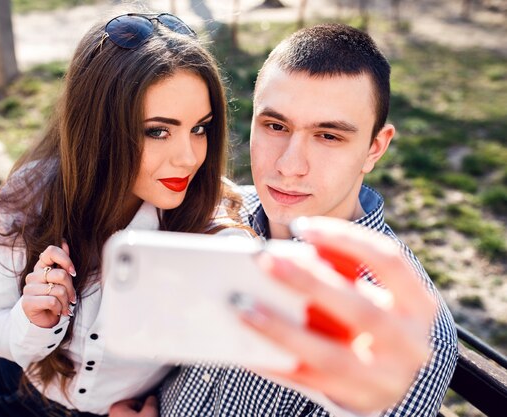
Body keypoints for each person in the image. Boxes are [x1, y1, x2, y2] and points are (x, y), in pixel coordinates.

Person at [111, 23, 458, 417]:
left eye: (328, 136)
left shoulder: (399, 330)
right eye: (276, 126)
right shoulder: (217, 210)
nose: (289, 166)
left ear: (374, 149)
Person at [0, 10, 242, 416]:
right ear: (101, 130)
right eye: (158, 131)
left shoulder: (215, 237)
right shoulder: (30, 197)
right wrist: (32, 319)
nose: (189, 157)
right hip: (4, 386)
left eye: (200, 128)